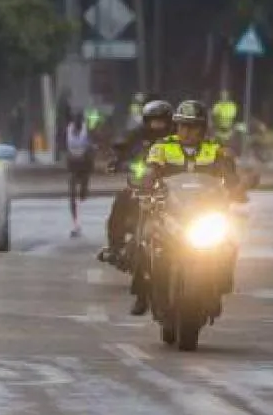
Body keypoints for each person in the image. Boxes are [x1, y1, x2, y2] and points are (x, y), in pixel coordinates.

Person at [132, 99, 241, 316]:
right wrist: (144, 185)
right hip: (170, 212)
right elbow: (151, 171)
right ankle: (142, 293)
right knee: (144, 241)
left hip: (204, 214)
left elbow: (230, 176)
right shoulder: (162, 147)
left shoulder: (216, 150)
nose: (188, 131)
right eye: (183, 125)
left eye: (194, 126)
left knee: (230, 242)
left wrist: (236, 187)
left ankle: (219, 287)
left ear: (203, 129)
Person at [98, 99, 173, 265]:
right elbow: (123, 148)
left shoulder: (178, 138)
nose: (157, 125)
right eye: (154, 121)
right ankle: (115, 246)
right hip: (143, 184)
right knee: (122, 199)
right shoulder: (137, 135)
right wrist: (117, 161)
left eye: (161, 121)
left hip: (171, 187)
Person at [65, 109, 93, 237]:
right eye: (75, 121)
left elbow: (91, 147)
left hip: (84, 165)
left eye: (79, 122)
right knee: (72, 194)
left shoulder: (86, 131)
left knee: (82, 195)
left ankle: (84, 190)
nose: (76, 124)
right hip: (73, 164)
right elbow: (64, 145)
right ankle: (75, 223)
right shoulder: (68, 129)